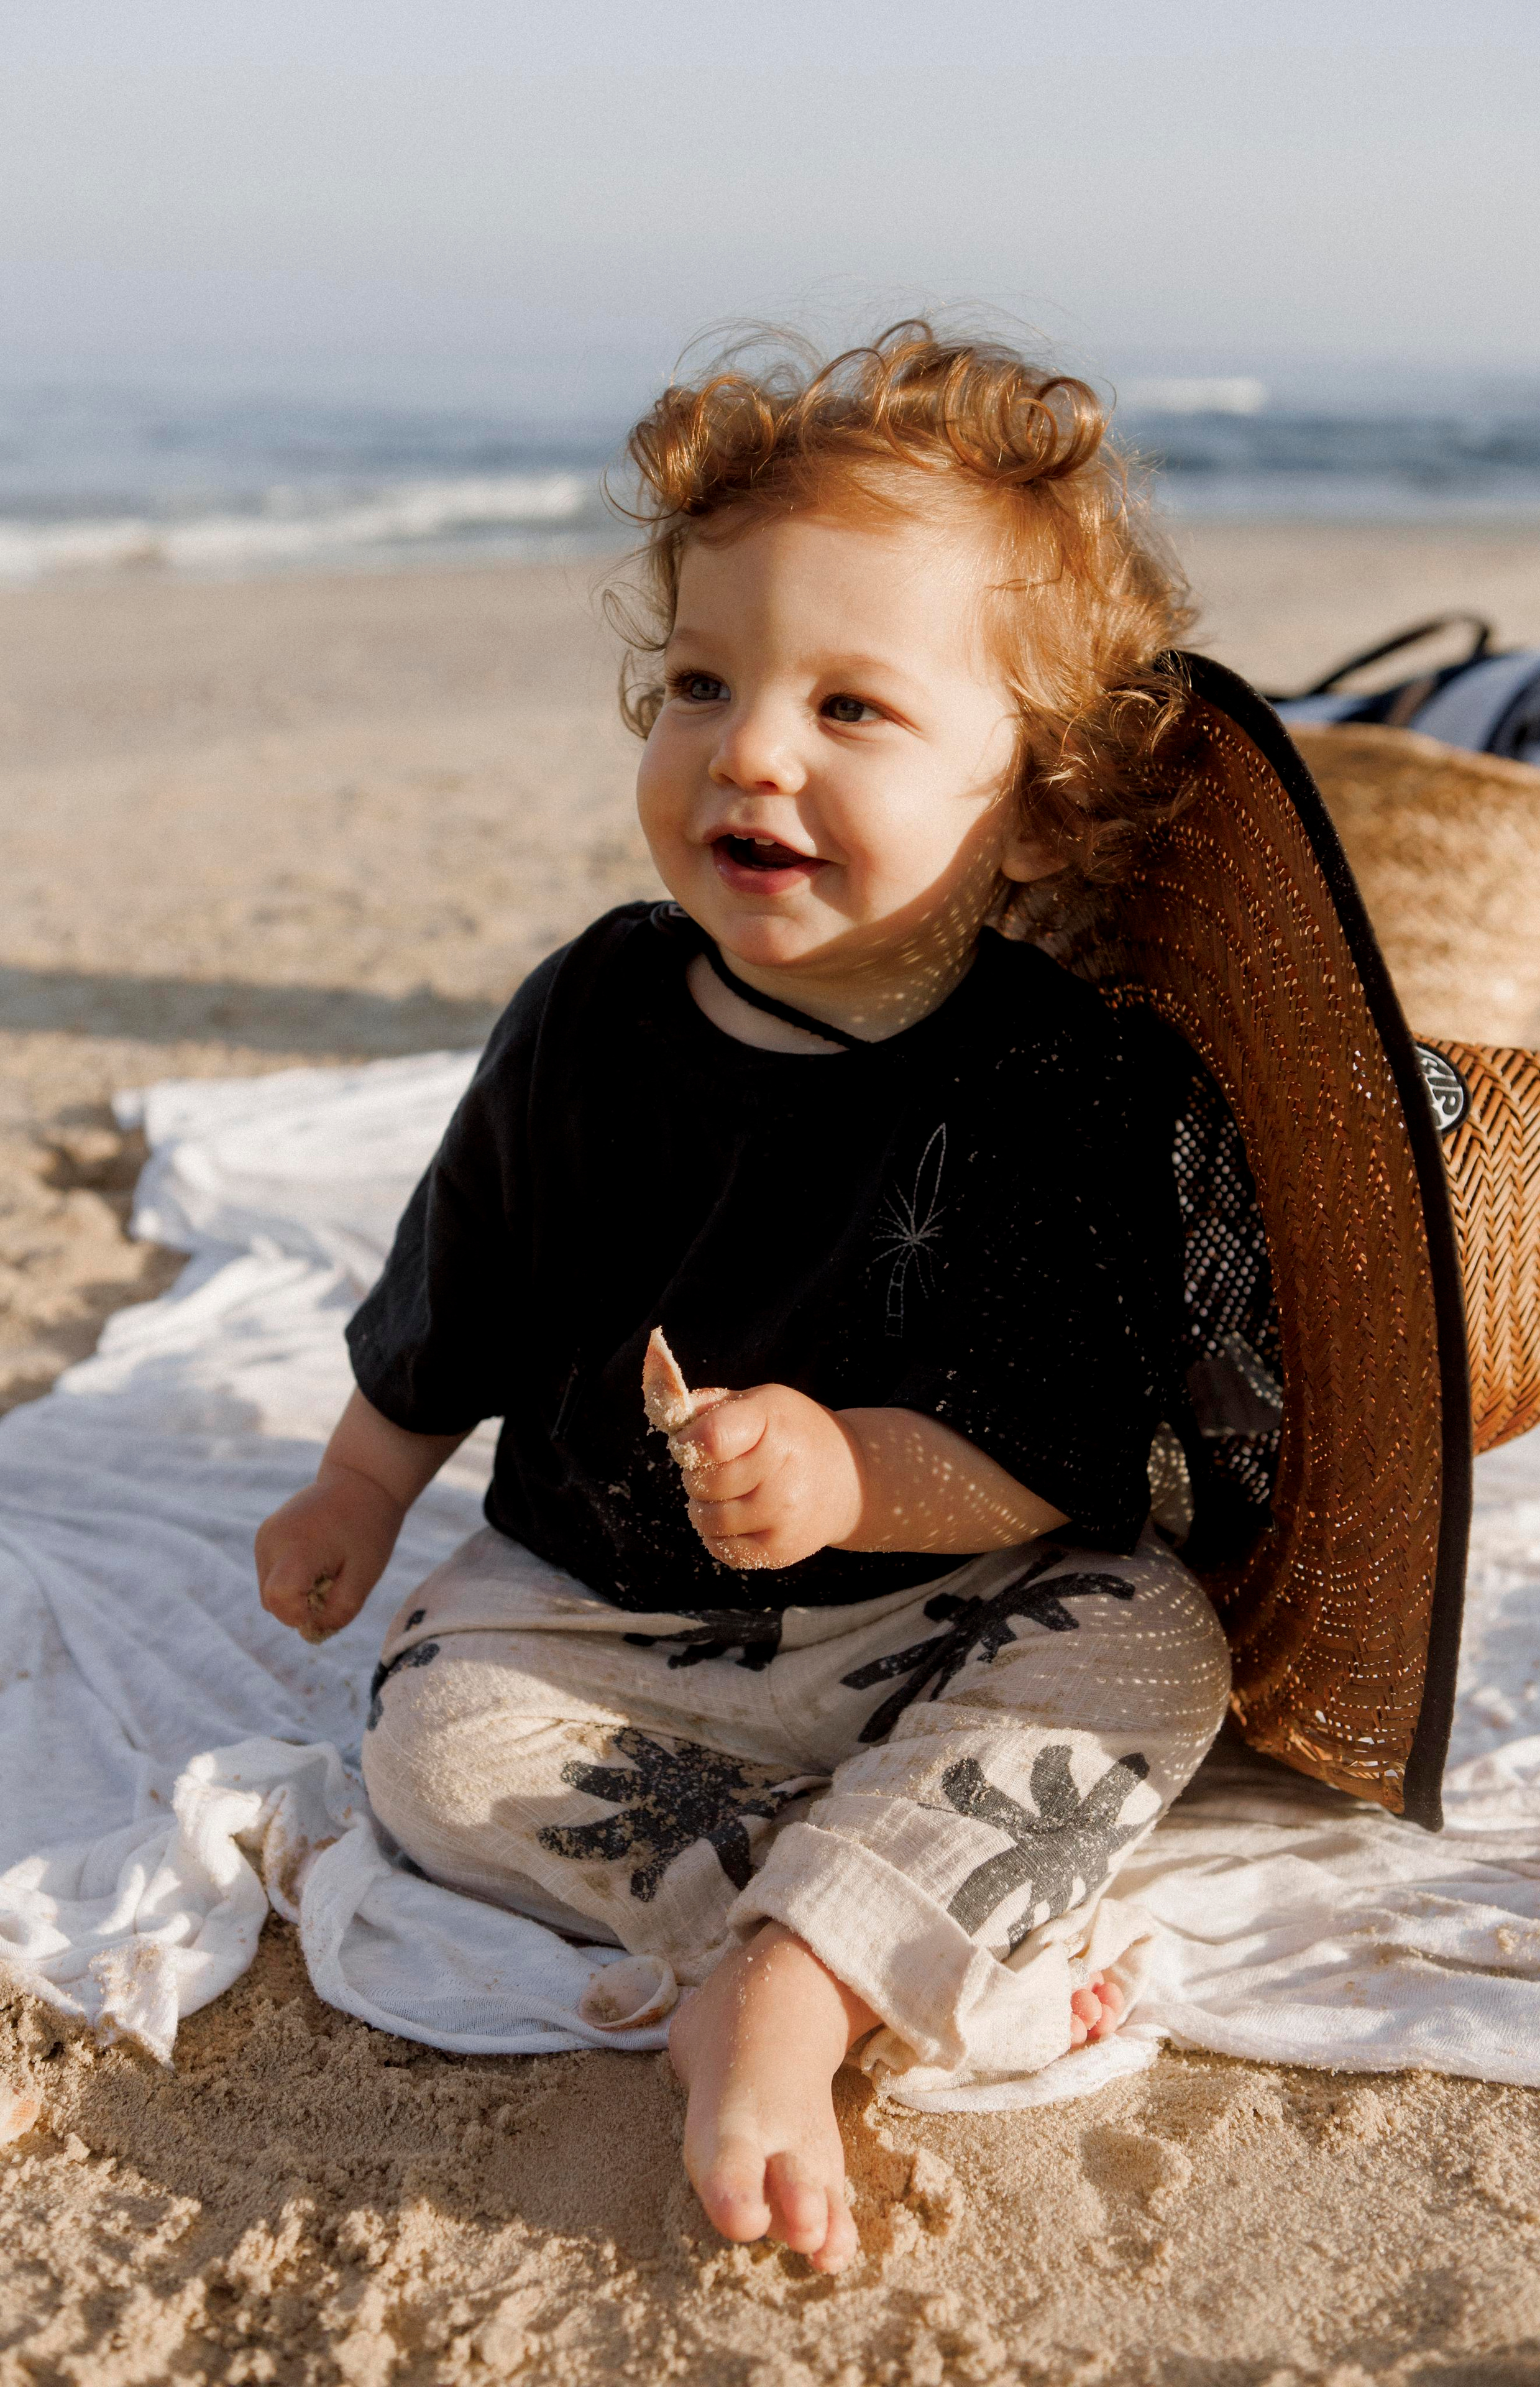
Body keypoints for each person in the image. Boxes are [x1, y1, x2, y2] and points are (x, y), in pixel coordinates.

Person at [254, 324, 1233, 2275]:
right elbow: (465, 1282)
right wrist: (363, 1489)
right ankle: (799, 1934)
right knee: (433, 1742)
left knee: (1153, 1637)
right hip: (607, 1625)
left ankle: (793, 1970)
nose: (750, 749)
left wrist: (858, 1476)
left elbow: (1059, 1460)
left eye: (851, 707)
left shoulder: (1052, 1083)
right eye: (703, 682)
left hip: (924, 1614)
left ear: (1032, 805)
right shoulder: (592, 1017)